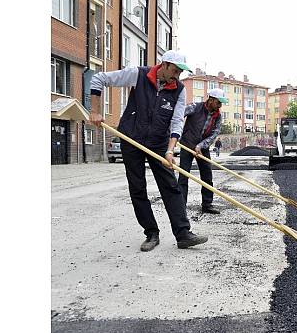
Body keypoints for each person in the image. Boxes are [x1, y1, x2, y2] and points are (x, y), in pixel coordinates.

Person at [89, 50, 208, 252]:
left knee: (171, 186)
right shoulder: (138, 74)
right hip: (131, 139)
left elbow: (177, 121)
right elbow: (99, 78)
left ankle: (183, 234)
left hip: (159, 143)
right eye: (176, 70)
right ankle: (151, 233)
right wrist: (94, 111)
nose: (177, 75)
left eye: (180, 72)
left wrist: (170, 151)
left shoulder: (179, 90)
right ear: (164, 64)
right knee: (138, 188)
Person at [178, 88, 227, 214]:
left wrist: (201, 146)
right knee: (184, 176)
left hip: (202, 147)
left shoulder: (218, 115)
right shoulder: (195, 107)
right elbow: (178, 115)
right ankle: (180, 206)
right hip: (187, 145)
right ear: (211, 100)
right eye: (218, 102)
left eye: (221, 103)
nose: (220, 105)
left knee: (207, 176)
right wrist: (175, 133)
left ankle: (207, 204)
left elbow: (215, 133)